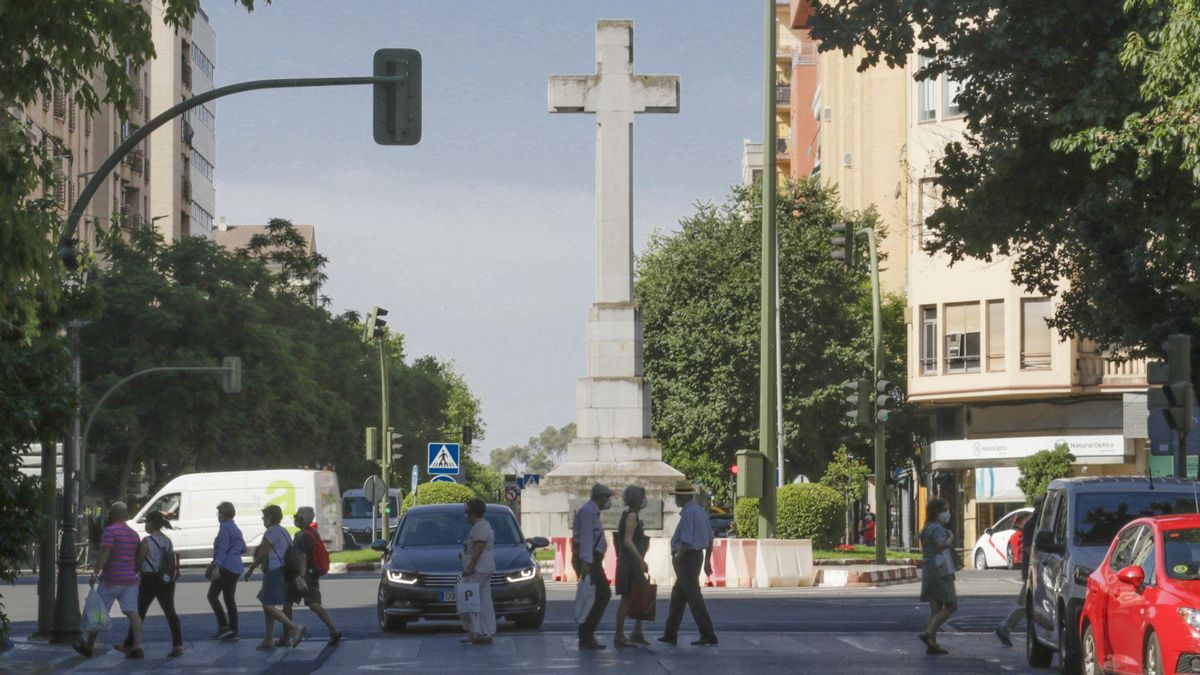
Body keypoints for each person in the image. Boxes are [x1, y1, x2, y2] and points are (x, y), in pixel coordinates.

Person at [73, 502, 143, 659]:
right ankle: (137, 646)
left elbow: (106, 552)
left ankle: (88, 646)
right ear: (125, 515)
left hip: (111, 579)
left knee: (98, 612)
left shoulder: (110, 531)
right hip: (130, 580)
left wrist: (95, 572)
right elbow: (137, 557)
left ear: (112, 514)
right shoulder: (133, 534)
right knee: (133, 613)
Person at [659, 480, 718, 647]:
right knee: (678, 597)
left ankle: (707, 633)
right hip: (696, 557)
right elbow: (710, 539)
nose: (676, 500)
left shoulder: (688, 514)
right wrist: (707, 561)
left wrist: (678, 556)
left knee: (694, 597)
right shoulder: (700, 511)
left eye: (677, 496)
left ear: (682, 497)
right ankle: (670, 633)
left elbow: (686, 540)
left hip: (686, 559)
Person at [119, 511, 183, 657]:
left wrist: (135, 573)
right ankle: (178, 644)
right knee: (170, 611)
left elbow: (139, 562)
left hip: (149, 579)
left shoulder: (146, 541)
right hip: (166, 580)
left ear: (152, 524)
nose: (145, 525)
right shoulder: (167, 540)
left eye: (147, 522)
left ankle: (131, 644)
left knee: (140, 611)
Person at [244, 505, 305, 650]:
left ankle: (294, 628)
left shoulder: (271, 532)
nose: (263, 520)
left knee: (267, 605)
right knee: (268, 603)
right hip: (284, 571)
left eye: (264, 517)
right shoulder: (284, 531)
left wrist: (251, 568)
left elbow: (263, 553)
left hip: (274, 571)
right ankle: (268, 639)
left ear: (270, 518)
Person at [279, 506, 341, 646]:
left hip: (301, 576)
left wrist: (300, 577)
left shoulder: (300, 536)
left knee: (287, 603)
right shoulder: (313, 532)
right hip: (313, 574)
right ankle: (333, 629)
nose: (295, 519)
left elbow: (302, 556)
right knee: (314, 604)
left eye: (298, 516)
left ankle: (286, 636)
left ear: (303, 519)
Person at [995, 496, 1044, 647]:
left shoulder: (1040, 522)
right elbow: (1029, 548)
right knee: (1024, 604)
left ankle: (1008, 629)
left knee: (1029, 603)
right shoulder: (1031, 524)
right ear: (1038, 506)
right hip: (1032, 569)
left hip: (1035, 568)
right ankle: (1005, 628)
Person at [573, 483, 613, 650]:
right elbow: (587, 540)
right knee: (601, 595)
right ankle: (586, 635)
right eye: (607, 497)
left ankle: (587, 634)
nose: (608, 501)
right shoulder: (589, 513)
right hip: (589, 561)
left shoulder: (591, 512)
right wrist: (586, 564)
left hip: (591, 560)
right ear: (600, 497)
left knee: (597, 596)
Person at [919, 498, 958, 655]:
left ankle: (932, 643)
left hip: (929, 570)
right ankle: (929, 632)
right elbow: (942, 546)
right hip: (940, 571)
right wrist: (951, 537)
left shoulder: (927, 527)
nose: (948, 514)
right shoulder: (938, 529)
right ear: (937, 512)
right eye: (945, 510)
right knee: (951, 605)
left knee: (936, 608)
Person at [614, 485, 651, 648]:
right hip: (630, 564)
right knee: (627, 598)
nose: (645, 500)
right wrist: (641, 561)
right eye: (643, 496)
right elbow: (628, 541)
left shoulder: (630, 515)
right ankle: (620, 634)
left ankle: (637, 631)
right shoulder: (631, 517)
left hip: (629, 562)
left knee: (639, 595)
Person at [459, 497, 496, 645]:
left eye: (467, 512)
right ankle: (486, 631)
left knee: (469, 599)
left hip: (478, 569)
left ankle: (475, 631)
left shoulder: (480, 527)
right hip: (484, 568)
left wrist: (469, 566)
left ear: (471, 513)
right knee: (484, 600)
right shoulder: (483, 526)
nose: (466, 516)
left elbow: (478, 548)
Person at [208, 501, 245, 642]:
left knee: (212, 596)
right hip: (236, 566)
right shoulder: (235, 528)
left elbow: (222, 548)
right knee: (229, 598)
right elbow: (243, 547)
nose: (218, 515)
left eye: (220, 513)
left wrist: (217, 565)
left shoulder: (224, 528)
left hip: (225, 566)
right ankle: (232, 630)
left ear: (224, 514)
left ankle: (225, 627)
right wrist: (235, 551)